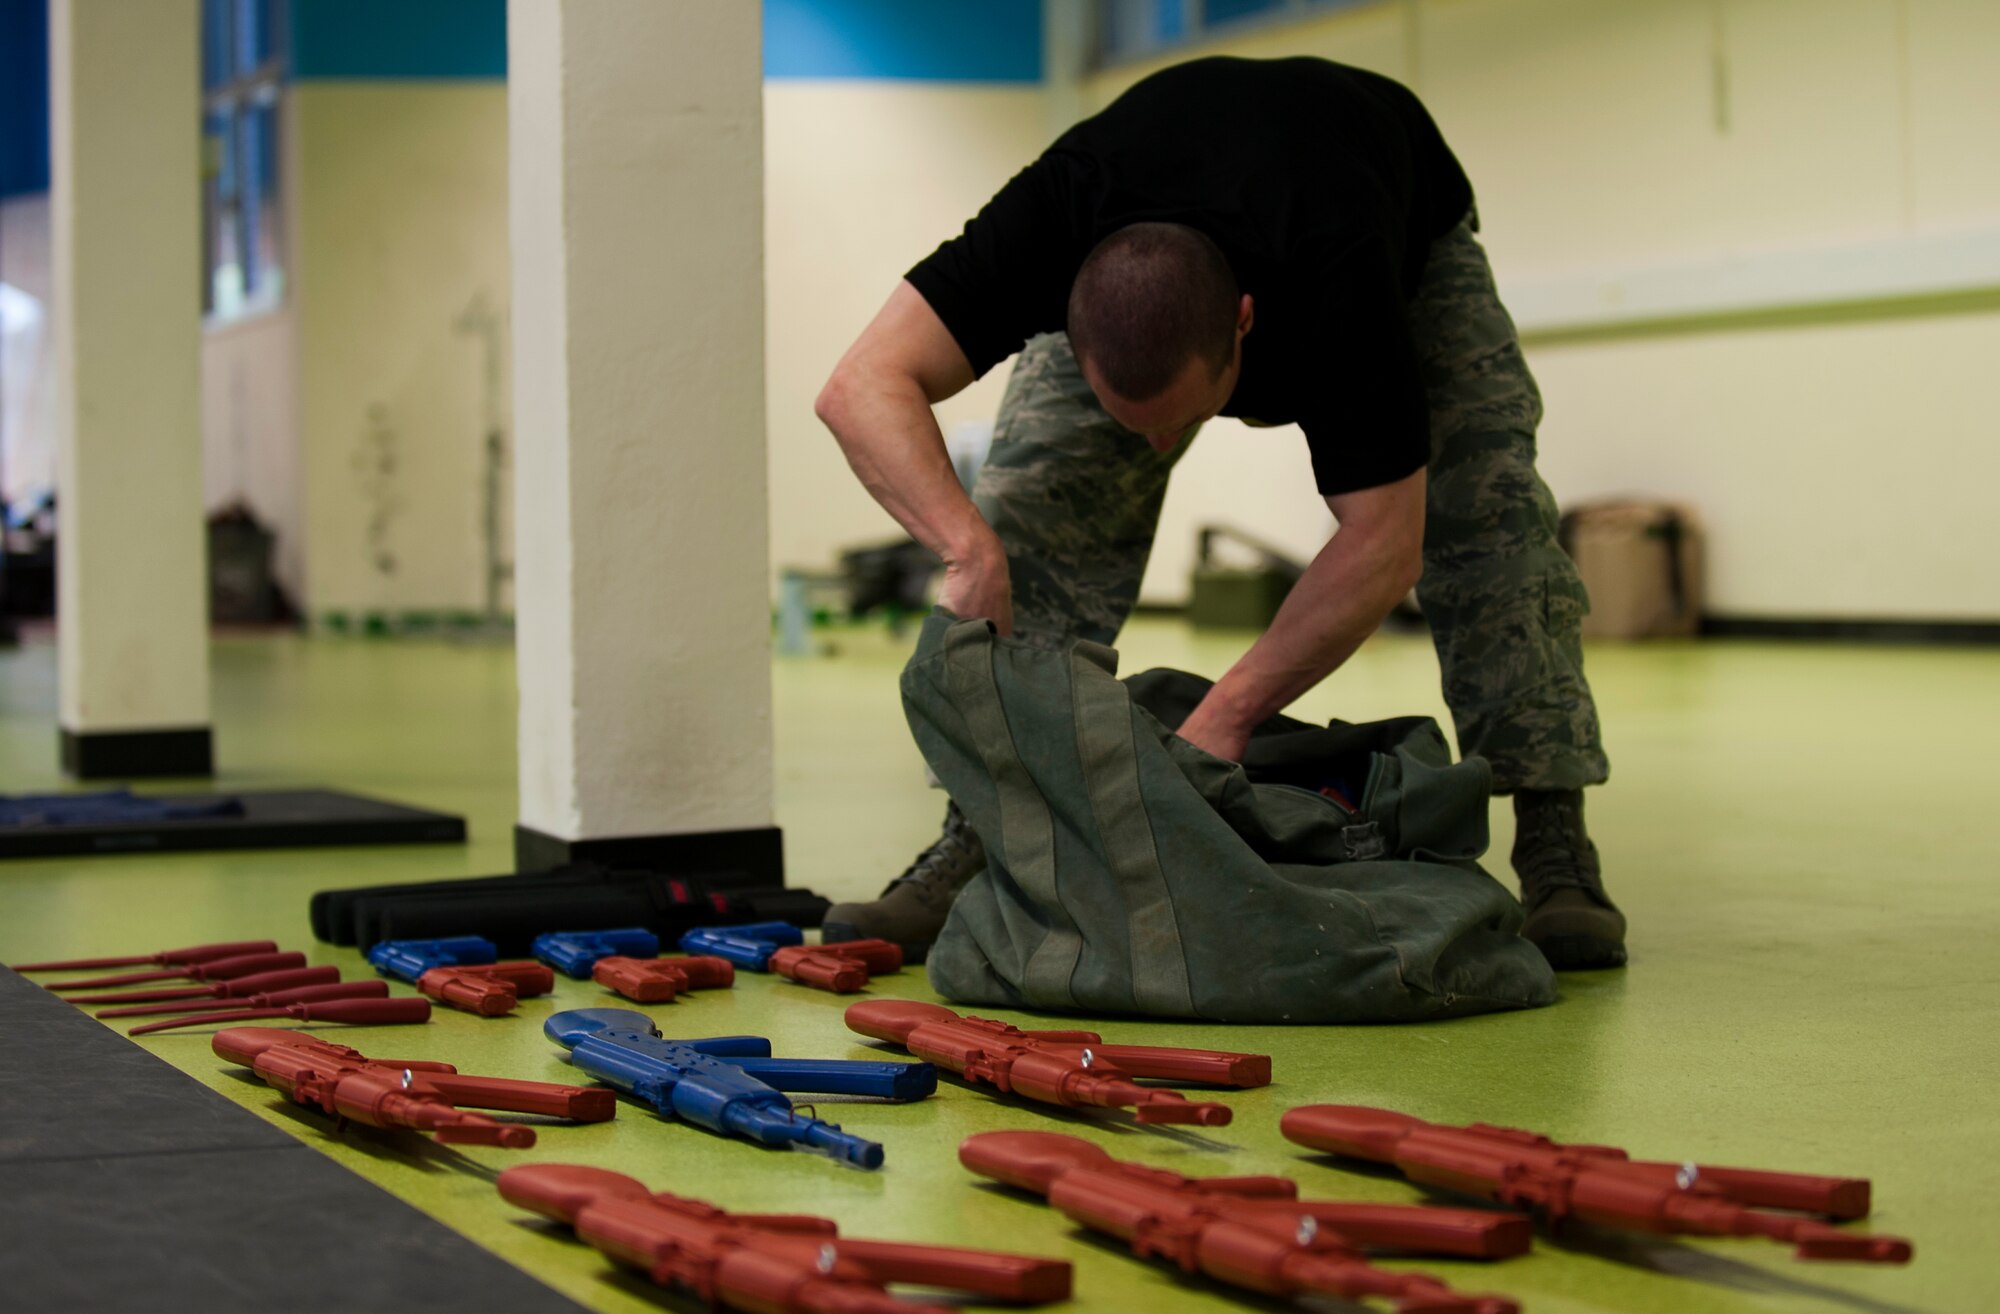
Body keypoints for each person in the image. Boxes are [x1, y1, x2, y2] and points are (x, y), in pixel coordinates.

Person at [812, 55, 1624, 971]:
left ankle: (1557, 842)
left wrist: (1228, 714)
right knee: (1033, 506)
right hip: (1148, 227)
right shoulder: (1051, 218)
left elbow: (1384, 544)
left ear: (1246, 324)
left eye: (1185, 420)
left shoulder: (1340, 279)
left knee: (1488, 518)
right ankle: (982, 831)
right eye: (1137, 425)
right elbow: (858, 385)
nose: (1158, 450)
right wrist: (969, 549)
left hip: (1384, 203)